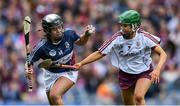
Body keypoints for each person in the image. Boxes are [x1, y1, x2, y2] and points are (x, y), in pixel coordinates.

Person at [75, 10, 167, 105]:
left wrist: (157, 69)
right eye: (121, 25)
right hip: (125, 75)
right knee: (128, 104)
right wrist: (81, 63)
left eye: (125, 25)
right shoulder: (116, 38)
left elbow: (163, 53)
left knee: (139, 97)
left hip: (144, 71)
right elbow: (99, 53)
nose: (122, 28)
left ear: (135, 26)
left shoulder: (144, 37)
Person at [25, 13, 95, 105]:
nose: (59, 30)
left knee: (55, 96)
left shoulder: (69, 34)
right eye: (54, 29)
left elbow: (81, 42)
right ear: (47, 31)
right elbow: (29, 62)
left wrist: (86, 35)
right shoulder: (41, 47)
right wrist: (28, 69)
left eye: (60, 27)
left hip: (69, 70)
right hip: (50, 74)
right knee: (53, 103)